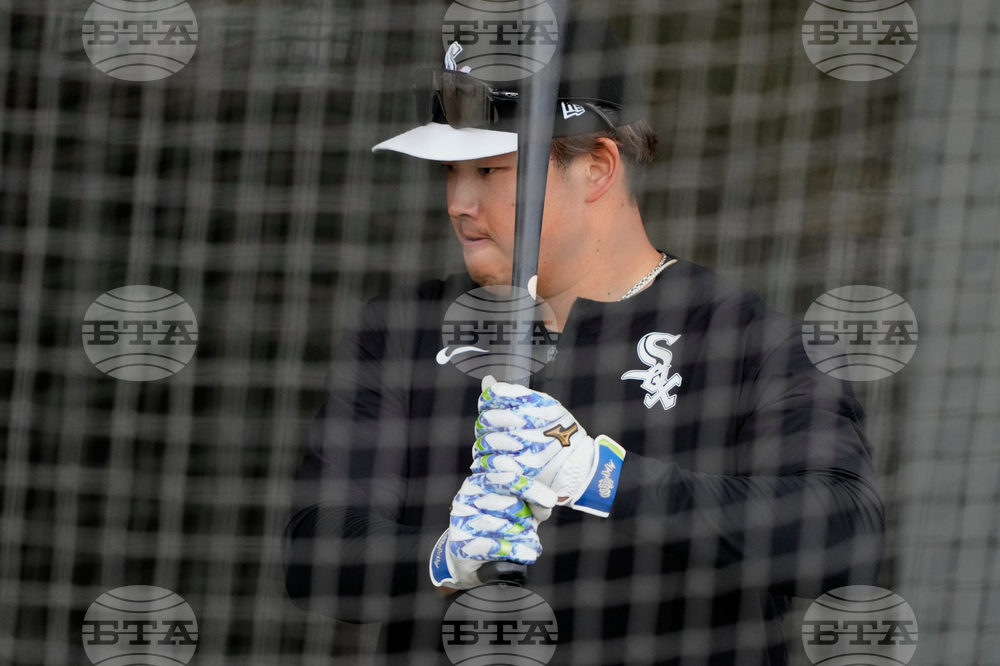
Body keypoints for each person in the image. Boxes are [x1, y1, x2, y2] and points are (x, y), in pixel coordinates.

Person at [283, 17, 885, 666]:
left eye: (489, 169)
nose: (459, 201)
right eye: (450, 172)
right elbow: (314, 553)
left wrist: (603, 479)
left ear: (596, 166)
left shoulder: (744, 337)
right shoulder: (402, 331)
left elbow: (847, 537)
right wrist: (443, 555)